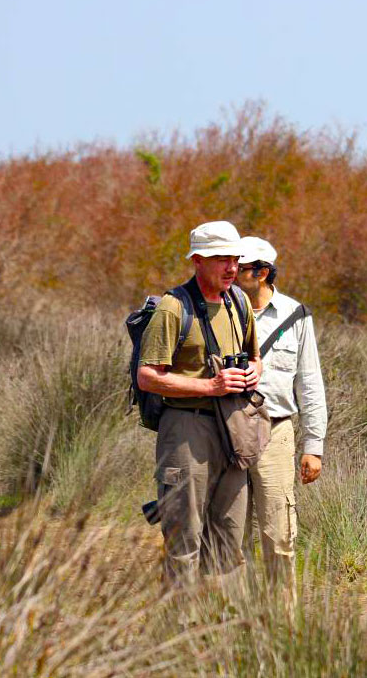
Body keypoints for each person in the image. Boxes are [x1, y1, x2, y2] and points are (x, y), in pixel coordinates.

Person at [137, 221, 261, 585]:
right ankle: (180, 637)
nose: (231, 268)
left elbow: (256, 357)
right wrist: (210, 387)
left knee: (228, 540)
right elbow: (148, 376)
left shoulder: (239, 302)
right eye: (221, 259)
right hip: (187, 428)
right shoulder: (174, 308)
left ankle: (220, 631)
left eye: (235, 259)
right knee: (184, 541)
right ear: (197, 261)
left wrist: (253, 372)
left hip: (235, 430)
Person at [234, 236, 327, 589]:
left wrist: (313, 447)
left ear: (262, 273)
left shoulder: (296, 315)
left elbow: (310, 383)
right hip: (225, 433)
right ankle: (233, 623)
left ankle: (280, 626)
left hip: (275, 432)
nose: (232, 272)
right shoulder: (220, 310)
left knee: (279, 533)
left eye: (240, 268)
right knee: (231, 532)